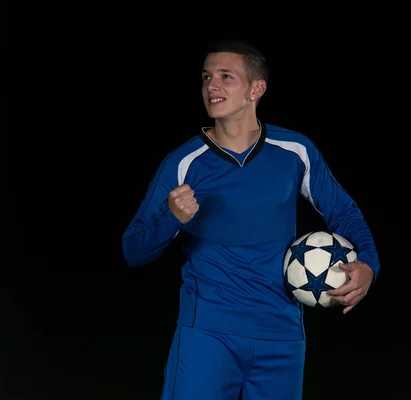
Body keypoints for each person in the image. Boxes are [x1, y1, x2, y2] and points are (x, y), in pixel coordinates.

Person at [122, 40, 380, 400]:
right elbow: (133, 250)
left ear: (255, 89)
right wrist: (172, 218)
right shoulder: (184, 162)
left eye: (226, 77)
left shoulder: (295, 151)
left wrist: (368, 263)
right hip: (208, 334)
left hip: (282, 335)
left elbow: (344, 212)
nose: (212, 86)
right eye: (207, 77)